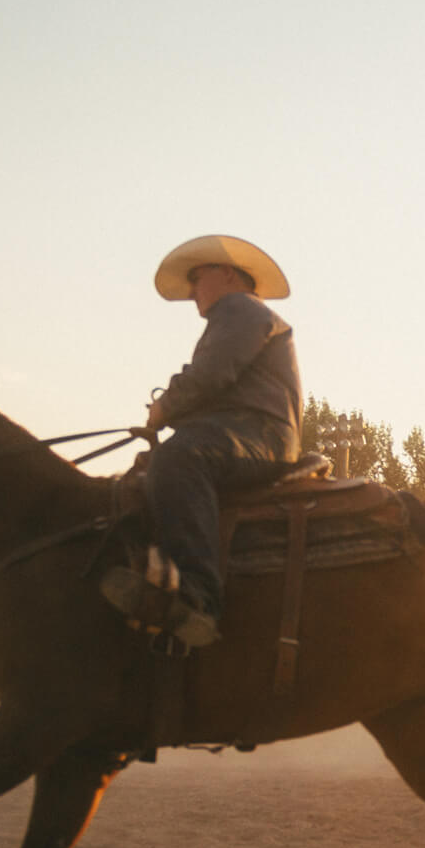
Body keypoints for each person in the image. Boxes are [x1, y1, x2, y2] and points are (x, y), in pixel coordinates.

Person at [101, 234, 303, 649]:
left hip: (261, 435)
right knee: (161, 465)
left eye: (197, 278)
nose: (192, 291)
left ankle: (198, 597)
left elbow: (212, 375)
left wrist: (164, 409)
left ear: (226, 273)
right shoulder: (240, 316)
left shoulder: (242, 309)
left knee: (179, 459)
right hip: (248, 431)